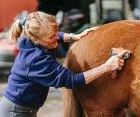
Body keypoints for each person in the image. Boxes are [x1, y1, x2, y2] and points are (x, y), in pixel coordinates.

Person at [0, 11, 128, 117]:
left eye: (55, 33)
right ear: (36, 39)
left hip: (24, 108)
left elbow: (56, 35)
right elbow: (71, 80)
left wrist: (74, 36)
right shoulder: (36, 61)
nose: (56, 39)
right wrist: (107, 66)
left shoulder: (30, 38)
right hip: (16, 112)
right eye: (51, 38)